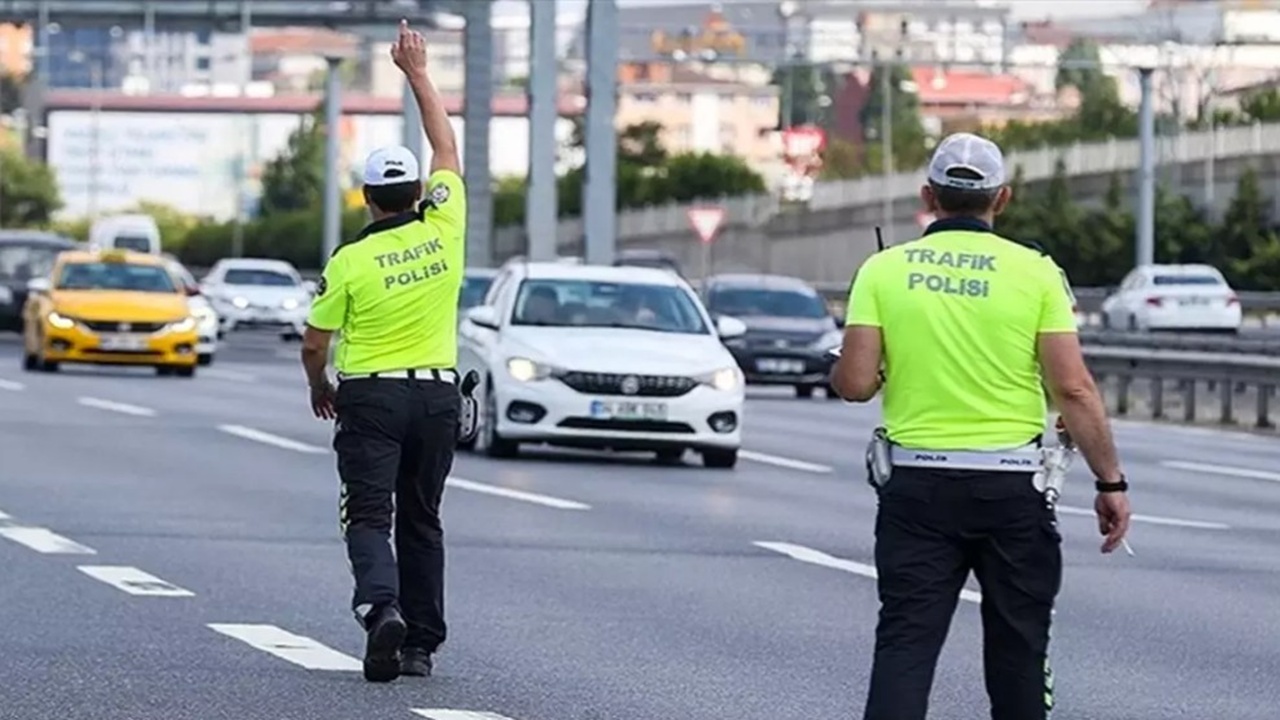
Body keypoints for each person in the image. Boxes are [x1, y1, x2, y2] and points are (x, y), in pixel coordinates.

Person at [831, 132, 1132, 720]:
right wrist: (1110, 483)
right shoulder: (1036, 272)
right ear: (1003, 199)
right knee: (1019, 648)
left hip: (916, 489)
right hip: (1010, 491)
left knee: (906, 646)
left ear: (928, 195)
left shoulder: (883, 270)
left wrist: (860, 367)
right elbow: (1072, 388)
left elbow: (856, 384)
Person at [300, 19, 466, 684]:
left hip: (370, 396)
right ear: (418, 193)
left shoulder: (352, 260)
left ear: (367, 199)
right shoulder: (446, 226)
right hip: (437, 396)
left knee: (369, 513)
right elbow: (446, 145)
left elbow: (316, 342)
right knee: (422, 518)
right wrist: (418, 74)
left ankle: (381, 607)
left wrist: (320, 386)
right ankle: (421, 644)